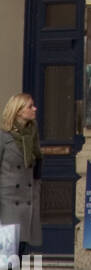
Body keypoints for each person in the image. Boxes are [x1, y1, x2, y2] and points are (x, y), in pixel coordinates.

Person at [0, 93, 42, 260]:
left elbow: (38, 163)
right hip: (8, 201)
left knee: (23, 252)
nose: (34, 109)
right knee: (8, 254)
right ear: (18, 111)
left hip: (29, 200)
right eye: (30, 106)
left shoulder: (33, 134)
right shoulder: (4, 137)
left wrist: (37, 190)